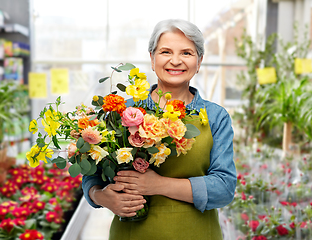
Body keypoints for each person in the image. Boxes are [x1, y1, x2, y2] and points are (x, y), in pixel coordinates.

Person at [82, 19, 236, 240]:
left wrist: (158, 185)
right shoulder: (123, 111)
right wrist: (100, 196)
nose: (175, 61)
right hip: (132, 233)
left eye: (186, 53)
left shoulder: (215, 117)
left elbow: (224, 188)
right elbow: (91, 175)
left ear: (199, 61)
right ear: (152, 59)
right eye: (166, 52)